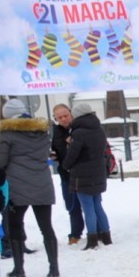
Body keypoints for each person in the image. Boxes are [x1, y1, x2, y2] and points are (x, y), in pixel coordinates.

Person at [0, 99, 60, 277]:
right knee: (46, 227)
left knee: (15, 226)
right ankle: (54, 269)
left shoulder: (6, 134)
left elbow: (1, 163)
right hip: (42, 183)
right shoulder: (42, 132)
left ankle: (19, 269)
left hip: (17, 187)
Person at [63, 104, 112, 249]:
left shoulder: (78, 133)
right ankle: (106, 236)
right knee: (97, 205)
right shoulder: (99, 130)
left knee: (88, 207)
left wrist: (65, 165)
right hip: (98, 173)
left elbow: (73, 155)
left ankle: (92, 239)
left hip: (82, 175)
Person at [49, 103, 84, 246]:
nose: (63, 119)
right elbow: (55, 149)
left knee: (90, 205)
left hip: (83, 174)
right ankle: (75, 233)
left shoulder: (79, 128)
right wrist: (53, 155)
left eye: (65, 116)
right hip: (66, 175)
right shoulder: (56, 132)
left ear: (71, 114)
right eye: (59, 117)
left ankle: (97, 231)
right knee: (72, 206)